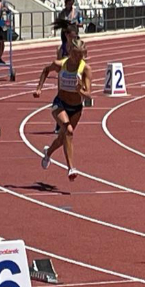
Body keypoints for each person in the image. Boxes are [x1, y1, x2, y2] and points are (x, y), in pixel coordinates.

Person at [33, 39, 92, 181]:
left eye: (81, 55)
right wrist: (39, 88)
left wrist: (80, 90)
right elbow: (46, 70)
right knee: (68, 130)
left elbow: (88, 94)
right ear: (71, 52)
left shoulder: (85, 69)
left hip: (76, 108)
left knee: (63, 138)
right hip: (60, 103)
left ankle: (48, 152)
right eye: (76, 54)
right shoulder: (60, 64)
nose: (79, 58)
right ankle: (71, 168)